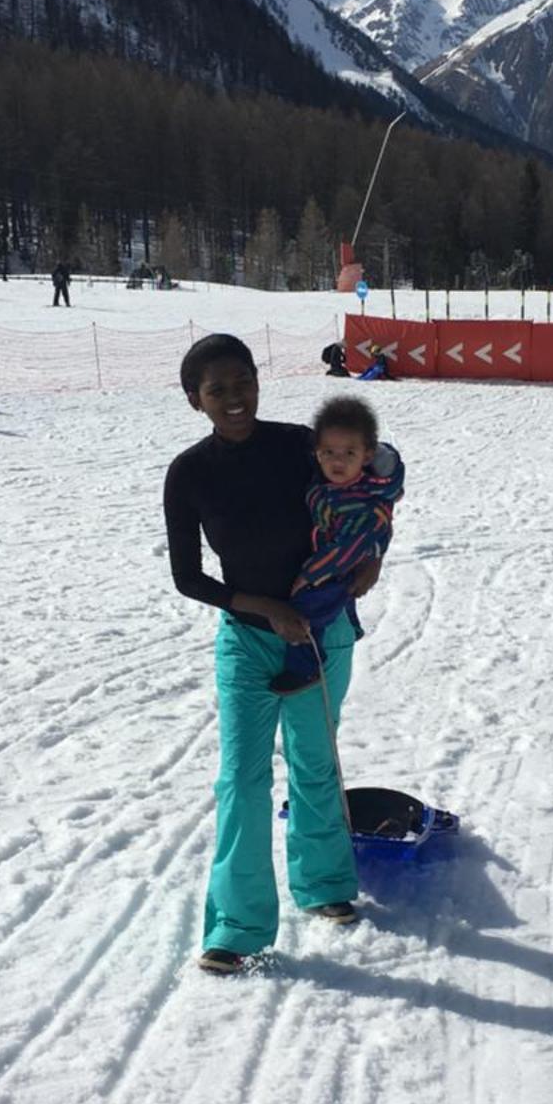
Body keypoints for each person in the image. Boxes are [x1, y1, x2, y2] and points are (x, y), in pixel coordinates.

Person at [164, 333, 378, 976]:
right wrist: (265, 609)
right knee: (242, 779)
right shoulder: (189, 472)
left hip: (320, 631)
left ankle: (325, 884)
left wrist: (371, 557)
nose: (234, 398)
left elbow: (362, 490)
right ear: (194, 399)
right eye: (217, 389)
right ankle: (237, 923)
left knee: (314, 762)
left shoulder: (298, 447)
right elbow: (188, 577)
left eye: (243, 381)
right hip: (249, 639)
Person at [271, 397, 404, 698]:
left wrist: (309, 575)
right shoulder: (333, 484)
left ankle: (305, 666)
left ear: (367, 455)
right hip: (332, 558)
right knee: (337, 599)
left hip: (336, 565)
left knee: (307, 609)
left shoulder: (362, 500)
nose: (337, 461)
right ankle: (349, 622)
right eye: (328, 452)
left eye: (349, 453)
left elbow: (347, 548)